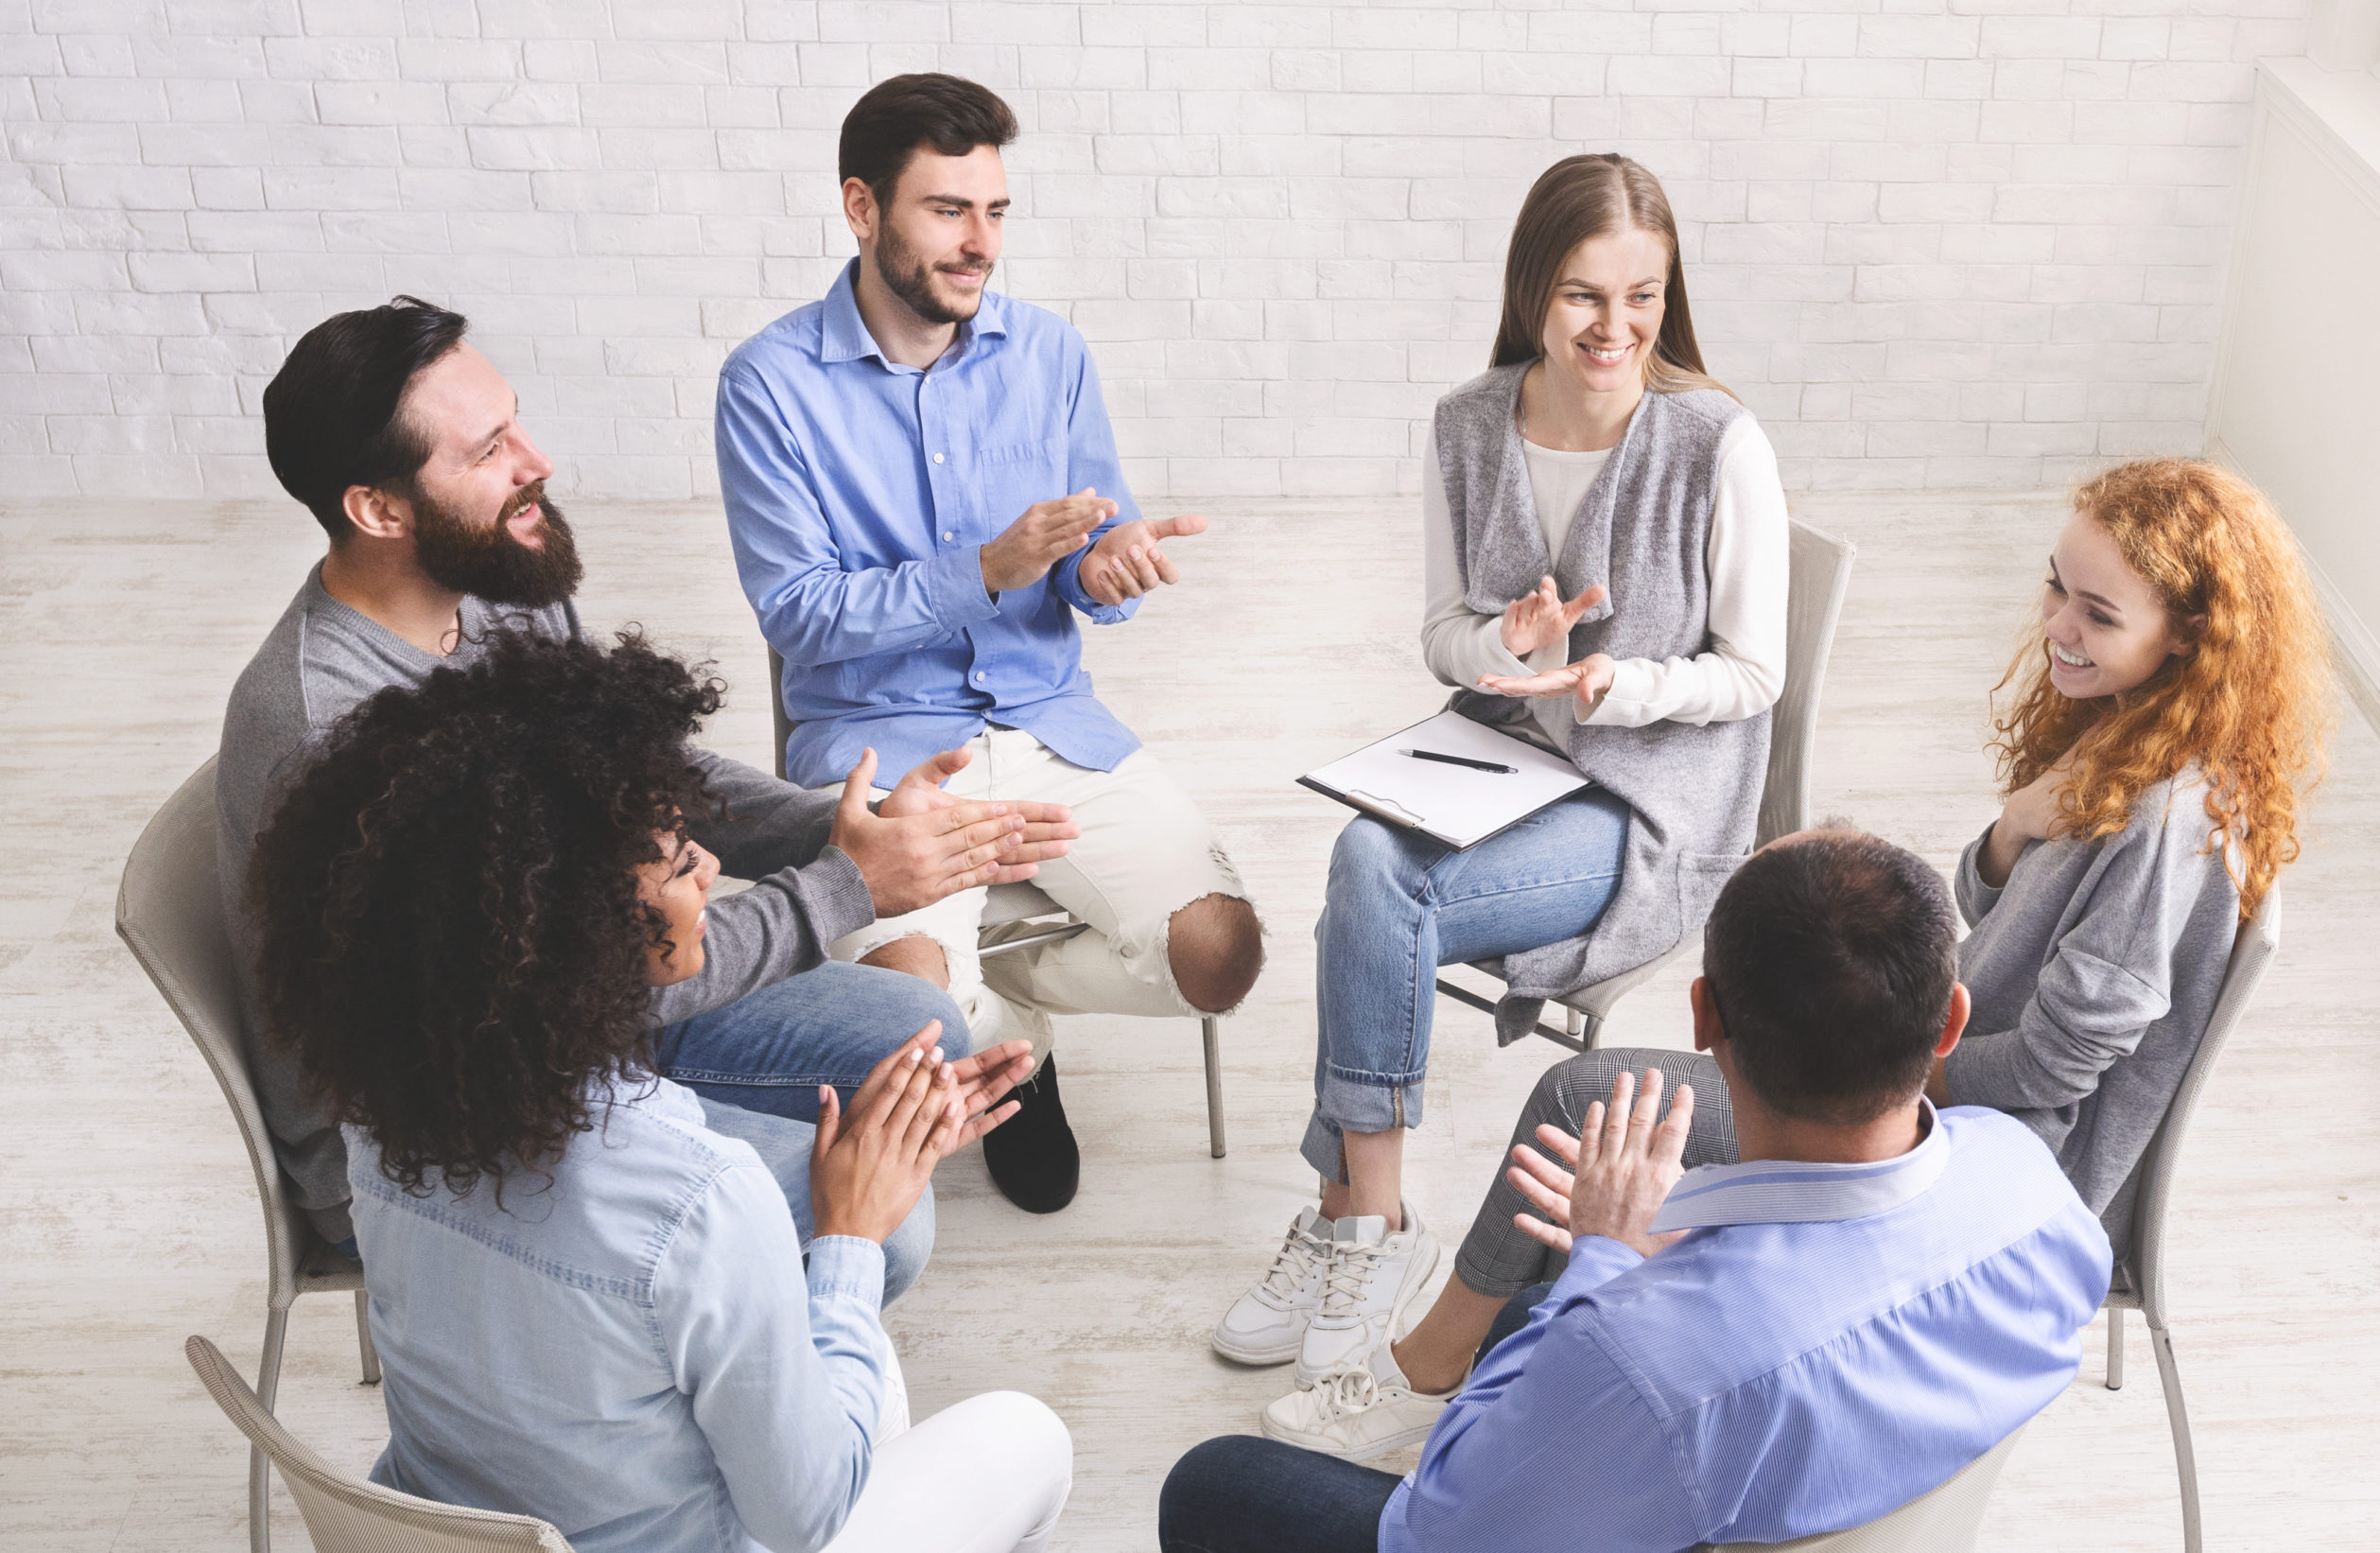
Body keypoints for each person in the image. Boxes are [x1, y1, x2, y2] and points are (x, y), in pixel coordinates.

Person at [1289, 455, 2331, 1459]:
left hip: (1988, 1150)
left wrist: (1893, 1066)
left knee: (1583, 1101)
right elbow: (1982, 907)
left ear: (2192, 634)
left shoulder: (2164, 819)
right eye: (2058, 589)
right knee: (1630, 1117)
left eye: (2099, 615)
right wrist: (2015, 826)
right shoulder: (2129, 737)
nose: (2059, 626)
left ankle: (1428, 1370)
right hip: (1938, 1084)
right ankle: (1535, 1364)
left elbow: (2063, 1065)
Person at [218, 296, 1079, 1257]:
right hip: (437, 1144)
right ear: (377, 509)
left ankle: (714, 1308)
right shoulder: (331, 730)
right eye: (489, 449)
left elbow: (636, 778)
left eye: (516, 422)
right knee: (894, 1223)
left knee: (917, 1029)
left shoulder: (496, 582)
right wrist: (843, 886)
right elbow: (553, 999)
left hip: (587, 1018)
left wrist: (844, 825)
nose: (536, 462)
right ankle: (674, 1380)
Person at [249, 628, 1072, 1553]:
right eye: (682, 864)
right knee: (1025, 1433)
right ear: (589, 935)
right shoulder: (702, 1200)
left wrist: (884, 1163)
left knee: (844, 1357)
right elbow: (803, 1518)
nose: (713, 871)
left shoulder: (380, 1107)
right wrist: (847, 1233)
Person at [1215, 152, 1786, 1385]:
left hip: (1649, 801)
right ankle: (1370, 1215)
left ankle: (1353, 1216)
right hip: (1495, 758)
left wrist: (1616, 682)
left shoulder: (1716, 441)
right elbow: (1445, 637)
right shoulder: (1470, 425)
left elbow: (1754, 673)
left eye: (1644, 294)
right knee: (1368, 850)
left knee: (1381, 882)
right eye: (1585, 295)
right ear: (1535, 289)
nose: (1615, 326)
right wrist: (1512, 642)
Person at [1161, 829, 2113, 1551]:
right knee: (1527, 1308)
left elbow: (1445, 1528)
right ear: (1949, 1020)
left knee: (1208, 1481)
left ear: (1702, 1016)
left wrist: (1606, 1271)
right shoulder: (2034, 1189)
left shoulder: (1639, 1359)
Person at [718, 72, 1263, 1214]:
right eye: (947, 211)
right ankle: (1012, 1043)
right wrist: (984, 571)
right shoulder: (767, 385)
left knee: (1223, 955)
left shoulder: (1049, 354)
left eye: (995, 212)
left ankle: (1010, 999)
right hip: (887, 747)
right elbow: (800, 615)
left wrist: (1100, 572)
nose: (980, 245)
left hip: (1050, 721)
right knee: (902, 1025)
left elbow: (1086, 548)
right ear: (863, 210)